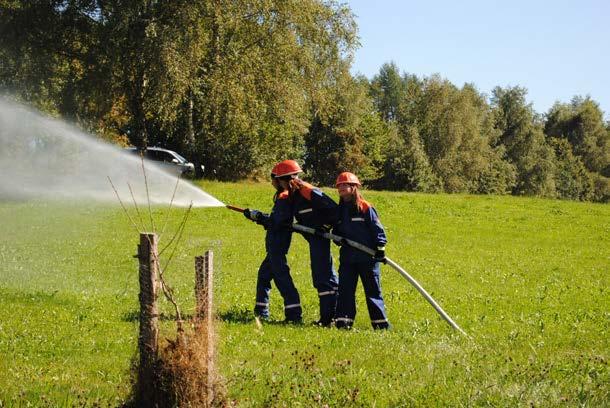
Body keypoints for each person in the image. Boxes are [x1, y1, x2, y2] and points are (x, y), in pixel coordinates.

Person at [275, 160, 339, 327]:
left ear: (286, 179)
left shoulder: (307, 191)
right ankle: (332, 317)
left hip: (320, 238)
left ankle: (328, 319)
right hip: (313, 238)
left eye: (280, 180)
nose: (279, 184)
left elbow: (333, 210)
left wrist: (324, 227)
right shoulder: (294, 195)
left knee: (323, 277)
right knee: (324, 276)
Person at [242, 164, 302, 323]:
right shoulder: (284, 197)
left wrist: (258, 216)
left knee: (283, 280)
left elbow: (276, 222)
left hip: (278, 246)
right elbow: (275, 221)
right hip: (275, 247)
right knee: (263, 277)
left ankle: (294, 315)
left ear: (279, 179)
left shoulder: (284, 197)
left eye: (272, 179)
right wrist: (257, 217)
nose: (271, 183)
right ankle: (261, 312)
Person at [333, 171, 390, 330]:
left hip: (368, 259)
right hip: (348, 259)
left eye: (345, 185)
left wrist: (380, 249)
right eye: (339, 186)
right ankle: (343, 323)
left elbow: (377, 230)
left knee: (373, 293)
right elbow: (337, 229)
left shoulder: (365, 207)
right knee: (345, 292)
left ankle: (380, 326)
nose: (341, 188)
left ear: (354, 187)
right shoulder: (340, 210)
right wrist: (337, 237)